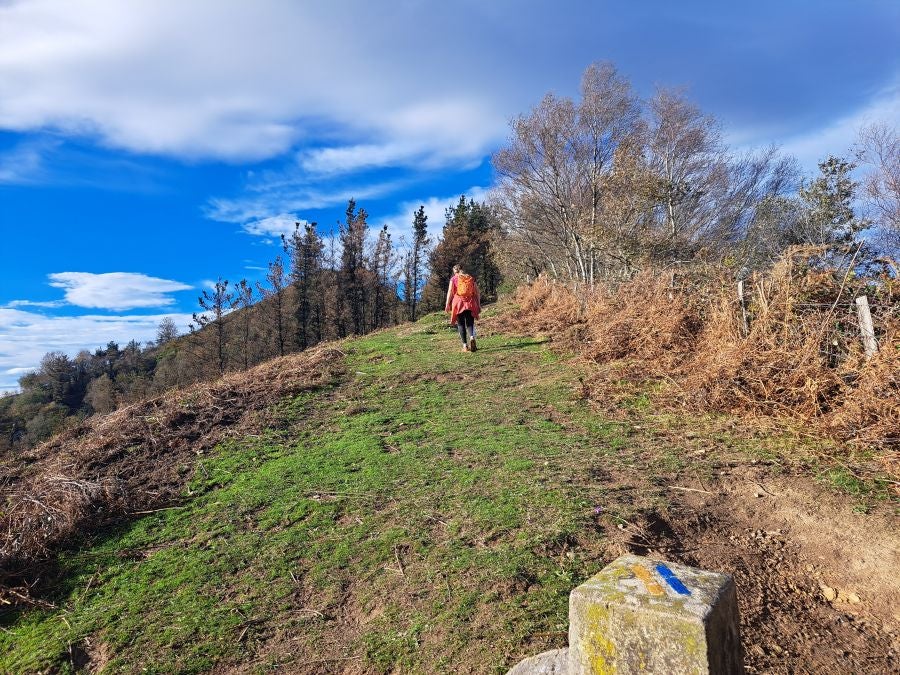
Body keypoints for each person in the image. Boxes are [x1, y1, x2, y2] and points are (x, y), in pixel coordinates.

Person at [445, 264, 481, 352]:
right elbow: (477, 292)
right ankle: (472, 337)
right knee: (470, 322)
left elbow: (450, 292)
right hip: (470, 303)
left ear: (455, 271)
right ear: (462, 269)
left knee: (461, 324)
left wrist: (447, 304)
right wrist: (478, 305)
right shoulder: (470, 278)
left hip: (458, 303)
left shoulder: (453, 279)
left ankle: (465, 346)